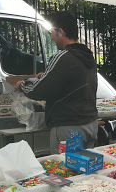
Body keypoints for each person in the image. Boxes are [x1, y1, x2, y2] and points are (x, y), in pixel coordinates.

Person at [15, 11, 98, 153]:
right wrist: (45, 77)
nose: (51, 38)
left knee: (65, 170)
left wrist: (22, 85)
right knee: (83, 171)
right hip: (90, 124)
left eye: (51, 33)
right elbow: (72, 82)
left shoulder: (63, 57)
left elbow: (38, 91)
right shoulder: (87, 55)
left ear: (61, 32)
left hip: (68, 127)